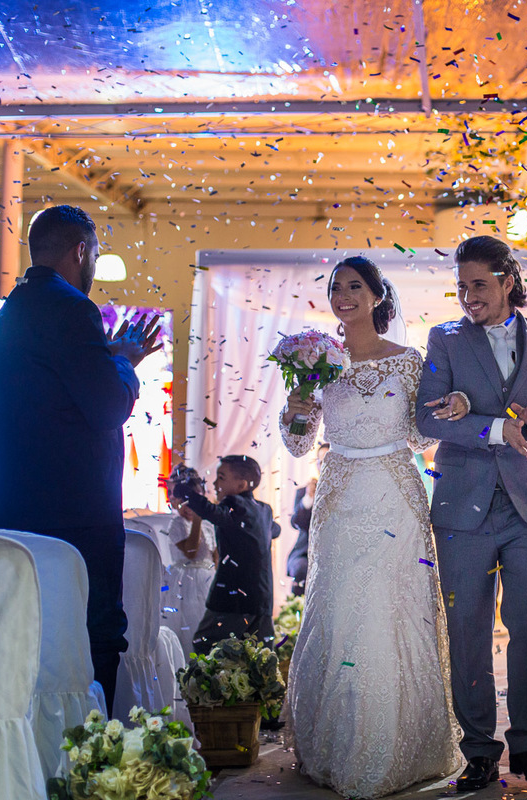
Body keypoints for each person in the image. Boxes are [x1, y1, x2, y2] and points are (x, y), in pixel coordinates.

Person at [281, 256, 460, 798]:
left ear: (378, 295)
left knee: (390, 607)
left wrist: (452, 406)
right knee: (340, 608)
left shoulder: (410, 362)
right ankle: (339, 743)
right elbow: (296, 443)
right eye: (336, 287)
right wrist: (297, 406)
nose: (344, 295)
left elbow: (421, 437)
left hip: (394, 494)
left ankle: (393, 746)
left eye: (355, 286)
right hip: (338, 498)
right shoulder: (317, 362)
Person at [416, 235, 527, 788]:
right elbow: (427, 419)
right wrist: (494, 428)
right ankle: (480, 751)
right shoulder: (444, 340)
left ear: (508, 281)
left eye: (480, 285)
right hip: (461, 506)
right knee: (467, 630)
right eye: (462, 287)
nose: (469, 297)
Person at [0, 205, 161, 712]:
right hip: (75, 517)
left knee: (29, 645)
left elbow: (52, 394)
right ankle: (93, 763)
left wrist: (106, 356)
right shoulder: (73, 309)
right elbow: (106, 408)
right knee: (92, 641)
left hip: (15, 509)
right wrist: (123, 364)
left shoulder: (11, 311)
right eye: (97, 254)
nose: (96, 266)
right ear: (81, 250)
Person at [173, 455, 279, 654]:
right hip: (262, 599)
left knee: (206, 649)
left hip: (233, 597)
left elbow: (213, 512)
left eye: (221, 477)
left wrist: (187, 493)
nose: (214, 483)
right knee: (258, 659)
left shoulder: (235, 504)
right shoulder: (264, 510)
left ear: (241, 485)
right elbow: (276, 530)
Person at [163, 465, 216, 657]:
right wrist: (198, 521)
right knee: (189, 628)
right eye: (183, 501)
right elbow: (191, 552)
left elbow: (215, 558)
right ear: (175, 500)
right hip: (185, 583)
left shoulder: (209, 526)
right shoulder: (176, 524)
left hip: (208, 579)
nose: (189, 506)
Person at [286, 442, 328, 597]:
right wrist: (309, 498)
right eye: (321, 461)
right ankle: (296, 611)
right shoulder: (304, 491)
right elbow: (297, 523)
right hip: (306, 553)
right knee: (301, 569)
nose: (324, 466)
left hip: (333, 552)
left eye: (328, 461)